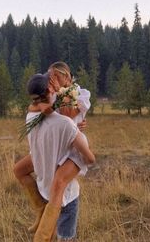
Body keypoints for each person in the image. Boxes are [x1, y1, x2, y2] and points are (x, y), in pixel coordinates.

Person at [13, 62, 93, 239]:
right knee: (19, 169)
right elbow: (38, 106)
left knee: (57, 185)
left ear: (67, 77)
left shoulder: (78, 93)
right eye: (50, 77)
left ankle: (42, 235)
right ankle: (41, 210)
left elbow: (68, 116)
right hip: (54, 140)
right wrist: (45, 102)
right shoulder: (51, 93)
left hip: (71, 144)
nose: (53, 80)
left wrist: (57, 94)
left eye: (57, 76)